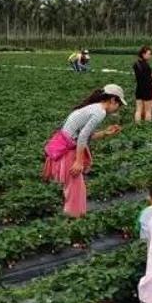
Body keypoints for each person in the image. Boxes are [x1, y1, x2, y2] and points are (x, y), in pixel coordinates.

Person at [42, 85, 125, 217]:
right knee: (76, 190)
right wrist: (79, 161)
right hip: (67, 151)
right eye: (119, 104)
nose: (118, 108)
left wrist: (105, 133)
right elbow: (82, 137)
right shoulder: (100, 112)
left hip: (63, 147)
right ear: (113, 100)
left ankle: (72, 217)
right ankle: (74, 219)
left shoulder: (94, 108)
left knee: (74, 189)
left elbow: (85, 135)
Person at [133, 46, 152, 122]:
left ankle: (137, 126)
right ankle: (147, 128)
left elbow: (141, 77)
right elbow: (148, 79)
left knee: (138, 110)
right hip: (147, 89)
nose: (150, 56)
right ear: (143, 54)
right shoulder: (146, 65)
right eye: (148, 54)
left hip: (139, 88)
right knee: (148, 111)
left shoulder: (136, 64)